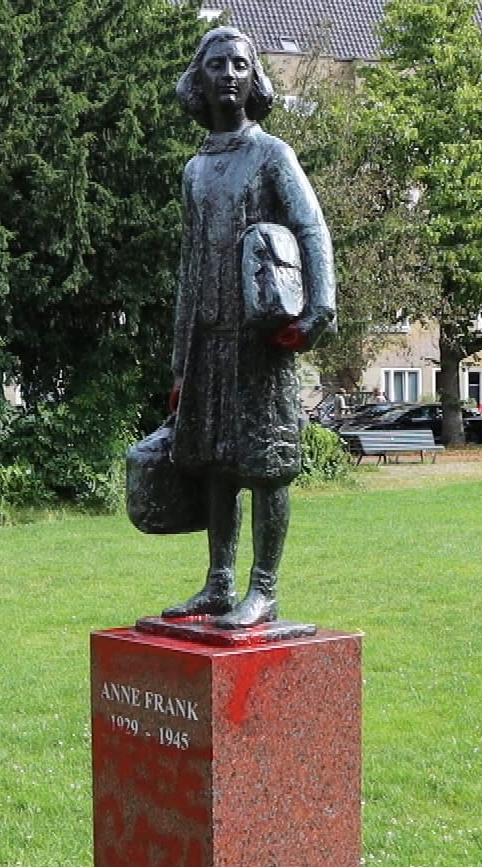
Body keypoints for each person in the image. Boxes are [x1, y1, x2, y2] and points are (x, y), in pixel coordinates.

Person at [164, 27, 335, 628]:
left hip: (260, 339)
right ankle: (219, 583)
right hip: (209, 336)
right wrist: (180, 362)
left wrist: (318, 312)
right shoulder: (195, 170)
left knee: (265, 463)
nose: (230, 74)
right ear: (201, 80)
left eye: (241, 64)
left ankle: (265, 587)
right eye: (218, 65)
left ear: (253, 78)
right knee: (215, 461)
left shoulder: (272, 154)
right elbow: (189, 265)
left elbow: (311, 229)